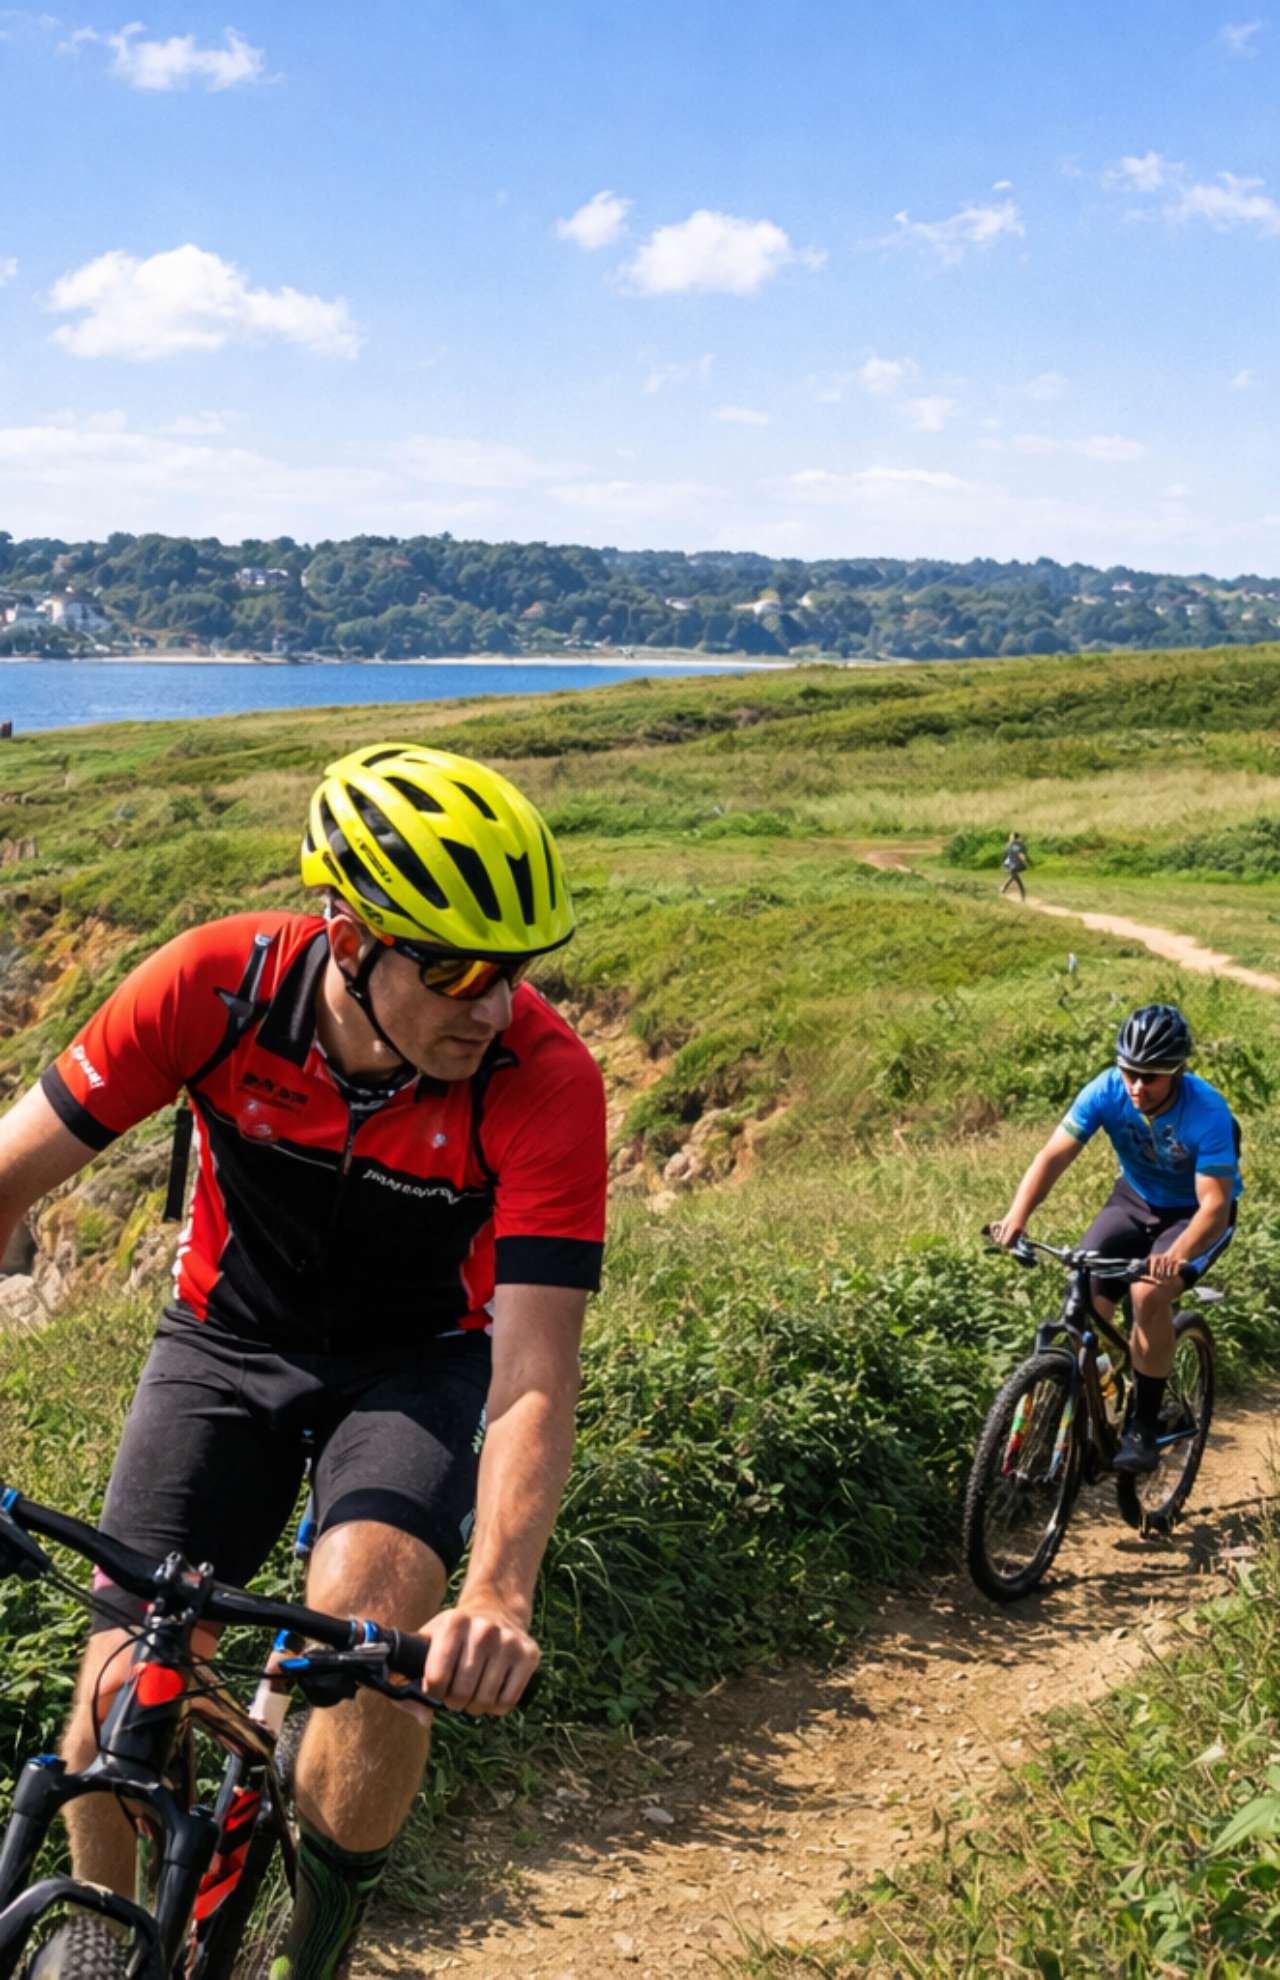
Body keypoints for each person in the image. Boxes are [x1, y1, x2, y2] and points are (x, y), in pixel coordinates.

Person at [0, 743, 607, 1979]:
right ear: (346, 935)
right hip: (226, 1343)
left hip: (418, 1363)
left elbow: (534, 1367)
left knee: (372, 1629)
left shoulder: (543, 1081)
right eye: (454, 970)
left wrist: (494, 1593)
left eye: (514, 975)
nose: (490, 1008)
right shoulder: (216, 986)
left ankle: (315, 1941)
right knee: (123, 1670)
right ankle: (93, 1943)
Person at [989, 1003, 1240, 1474]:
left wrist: (1176, 1256)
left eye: (1151, 1076)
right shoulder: (1107, 1089)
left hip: (1193, 1215)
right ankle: (1091, 1402)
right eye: (1130, 1072)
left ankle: (1144, 1424)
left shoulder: (1208, 1112)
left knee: (1148, 1294)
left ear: (1179, 1072)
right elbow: (1053, 1156)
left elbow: (1214, 1206)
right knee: (1084, 1291)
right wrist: (1016, 1217)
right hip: (1134, 1200)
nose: (1137, 1086)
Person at [999, 831, 1029, 899]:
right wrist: (1025, 862)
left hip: (1011, 864)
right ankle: (1022, 895)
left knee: (1014, 877)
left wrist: (1003, 863)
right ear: (1018, 837)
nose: (1010, 838)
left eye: (1011, 837)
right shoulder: (1020, 845)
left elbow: (1006, 855)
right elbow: (1021, 855)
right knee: (1016, 878)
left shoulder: (1008, 845)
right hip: (1016, 865)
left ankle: (1004, 889)